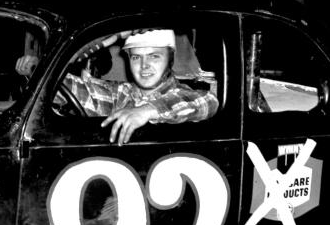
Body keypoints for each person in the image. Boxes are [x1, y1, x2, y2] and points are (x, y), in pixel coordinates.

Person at [53, 28, 218, 145]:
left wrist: (147, 111)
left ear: (170, 59)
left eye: (154, 56)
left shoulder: (182, 95)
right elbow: (68, 87)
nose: (144, 65)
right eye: (136, 57)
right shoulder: (120, 94)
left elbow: (207, 101)